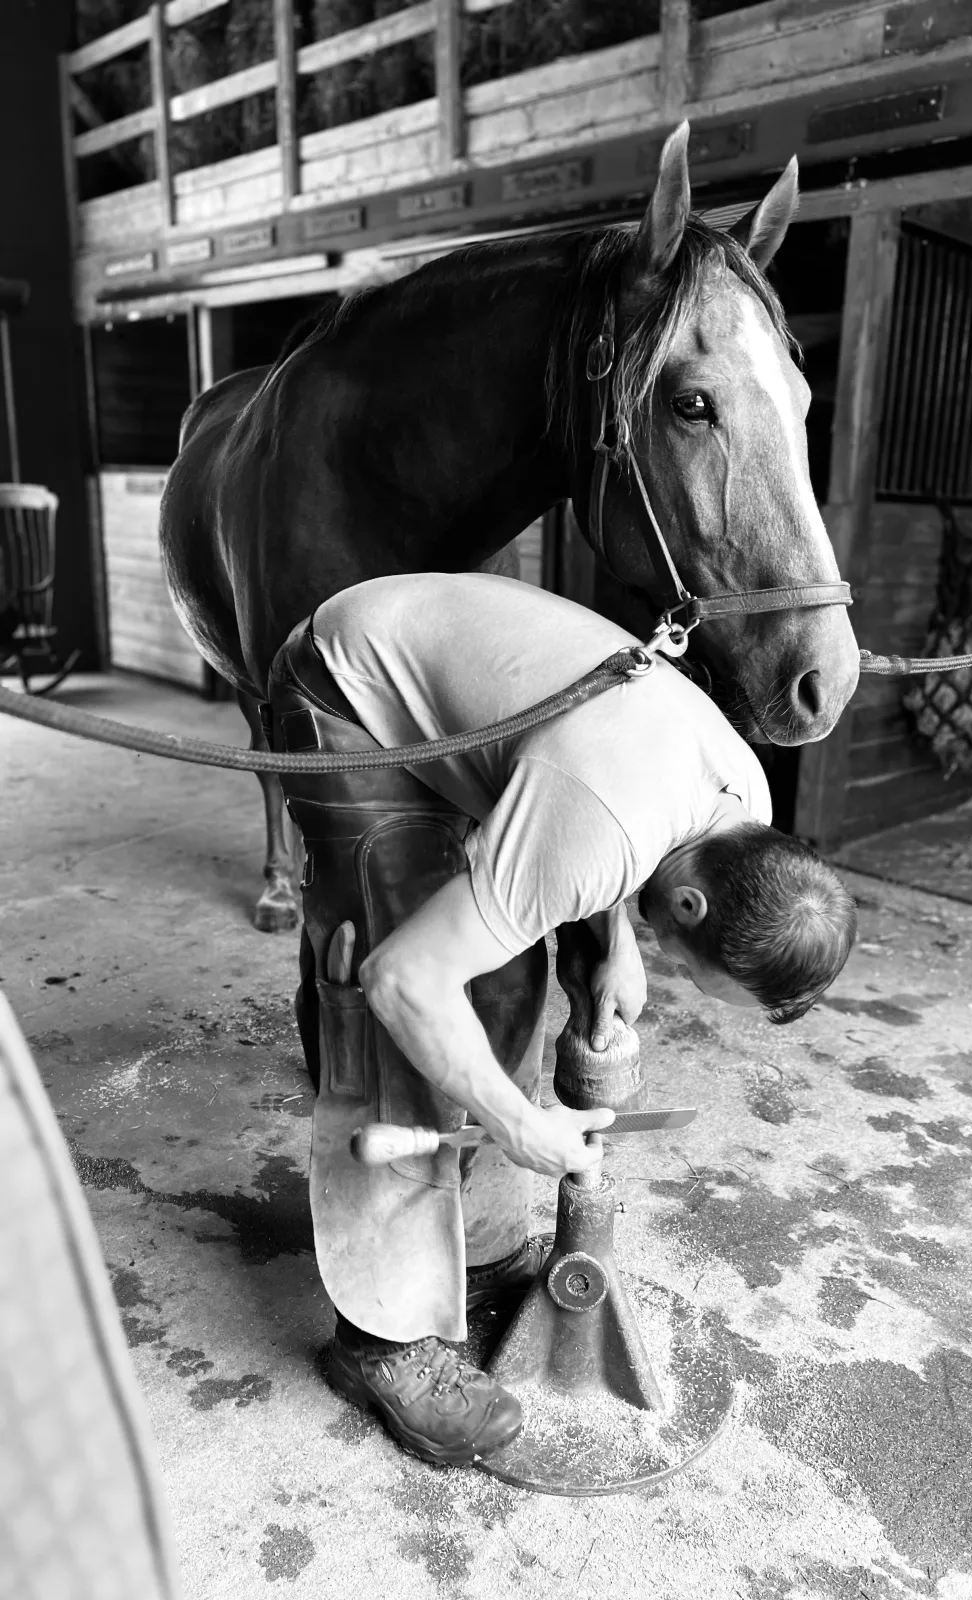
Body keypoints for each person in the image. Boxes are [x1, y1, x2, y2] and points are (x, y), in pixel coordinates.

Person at [266, 571, 856, 1468]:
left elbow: (598, 812)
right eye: (690, 972)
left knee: (507, 983)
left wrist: (612, 939)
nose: (673, 977)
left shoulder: (744, 805)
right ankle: (378, 1343)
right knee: (400, 1015)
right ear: (691, 905)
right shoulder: (610, 826)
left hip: (477, 711)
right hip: (347, 686)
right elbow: (409, 977)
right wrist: (516, 1124)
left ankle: (453, 1232)